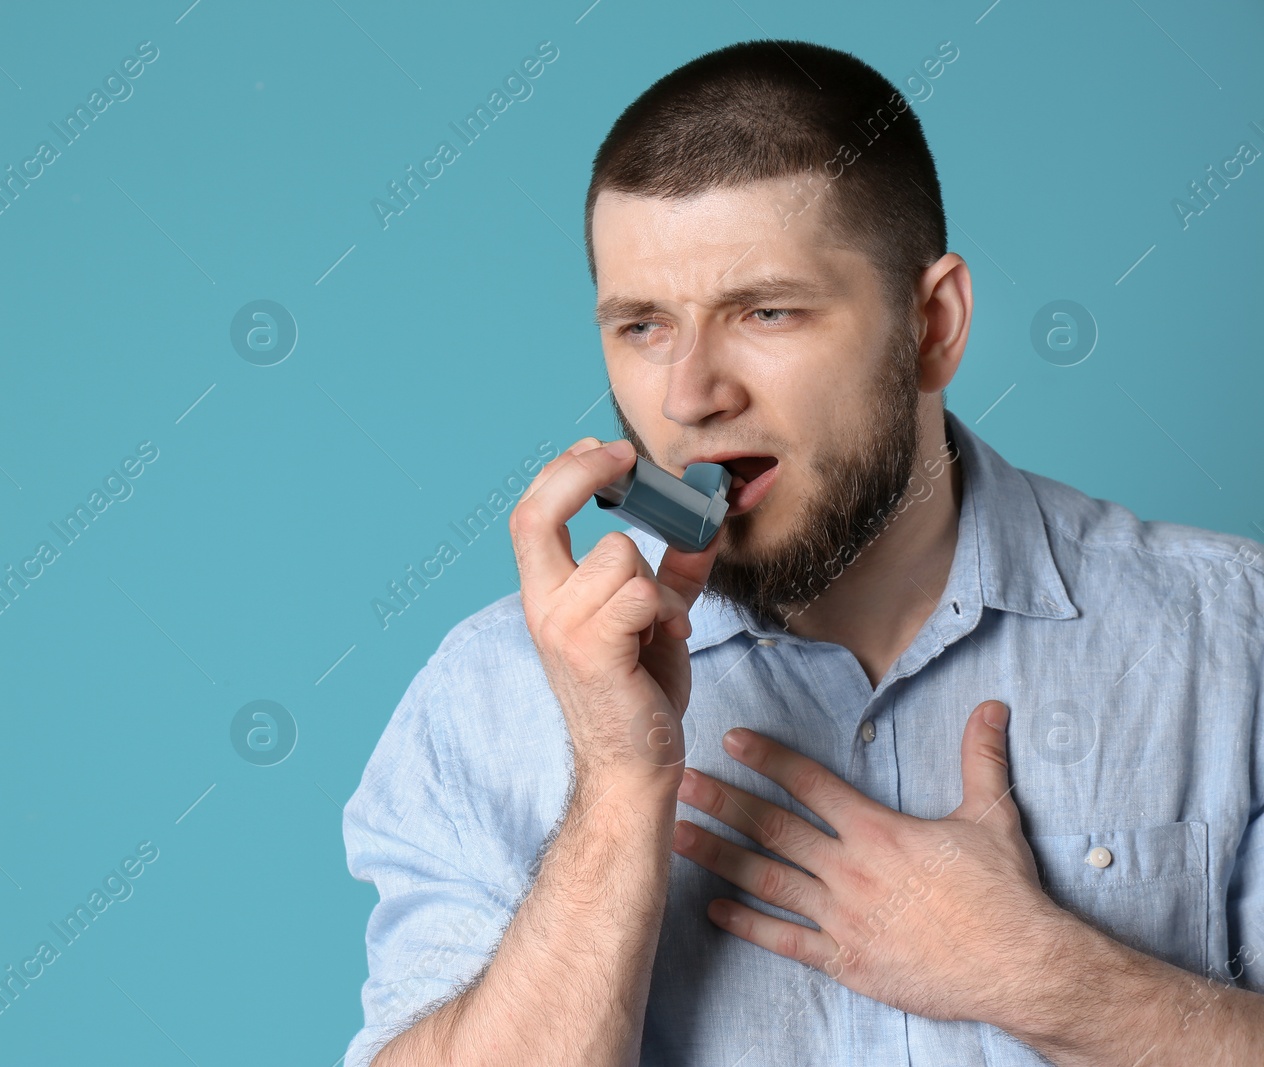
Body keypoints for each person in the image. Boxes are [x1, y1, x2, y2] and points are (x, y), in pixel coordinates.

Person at [341, 38, 1264, 1067]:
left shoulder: (1231, 637)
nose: (689, 395)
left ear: (932, 325)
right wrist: (613, 783)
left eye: (764, 310)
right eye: (643, 325)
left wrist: (1045, 977)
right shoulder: (486, 696)